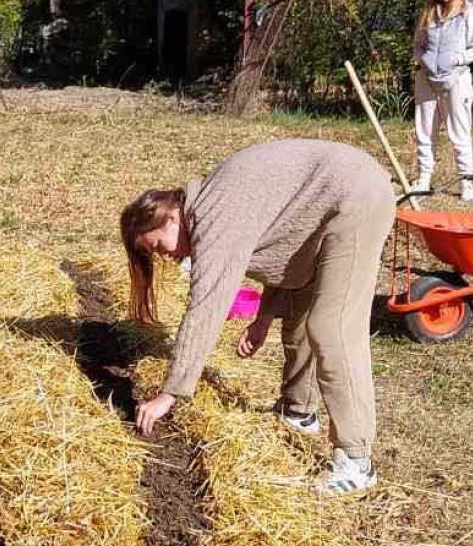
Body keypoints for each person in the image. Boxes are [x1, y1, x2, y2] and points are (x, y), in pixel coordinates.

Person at [120, 139, 395, 494]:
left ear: (170, 216)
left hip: (356, 198)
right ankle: (298, 412)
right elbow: (288, 241)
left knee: (332, 326)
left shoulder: (212, 213)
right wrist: (264, 318)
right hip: (330, 203)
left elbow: (206, 305)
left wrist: (171, 393)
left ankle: (357, 461)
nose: (164, 256)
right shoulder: (213, 201)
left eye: (157, 245)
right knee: (300, 317)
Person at [411, 0, 473, 202]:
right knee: (424, 131)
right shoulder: (429, 12)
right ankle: (424, 177)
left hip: (456, 79)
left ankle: (467, 182)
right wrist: (421, 59)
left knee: (459, 132)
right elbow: (418, 44)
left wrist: (458, 59)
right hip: (427, 79)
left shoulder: (467, 11)